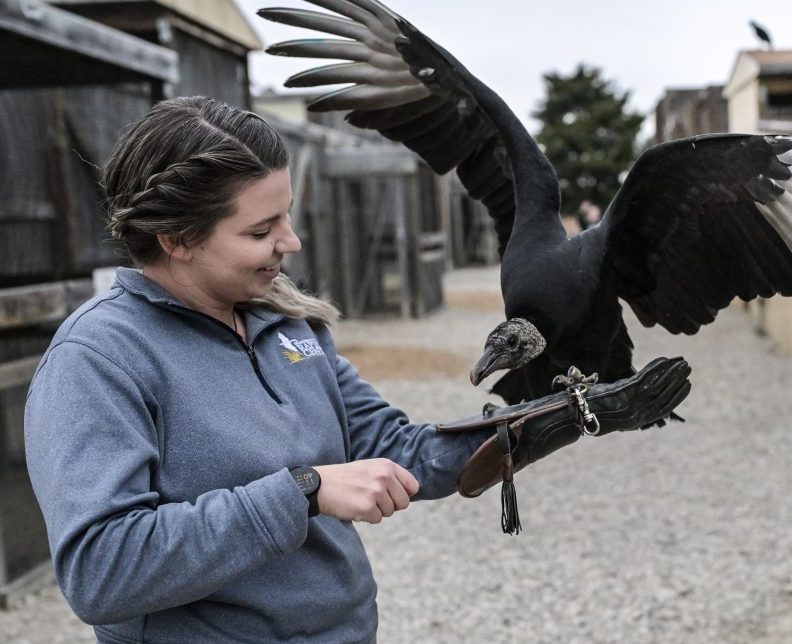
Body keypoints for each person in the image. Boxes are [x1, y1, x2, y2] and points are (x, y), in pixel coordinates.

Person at [23, 96, 690, 643]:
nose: (292, 242)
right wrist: (303, 491)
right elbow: (101, 571)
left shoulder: (285, 324)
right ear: (175, 238)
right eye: (261, 231)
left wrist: (553, 421)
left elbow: (395, 449)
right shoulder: (100, 360)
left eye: (287, 217)